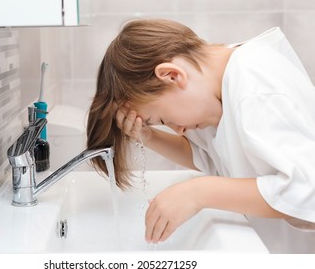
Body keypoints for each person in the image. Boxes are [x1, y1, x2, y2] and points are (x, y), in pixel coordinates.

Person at [86, 19, 315, 244]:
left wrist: (197, 192)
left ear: (172, 76)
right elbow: (210, 155)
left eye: (163, 119)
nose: (179, 129)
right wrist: (148, 135)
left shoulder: (256, 90)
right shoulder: (214, 84)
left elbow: (307, 191)